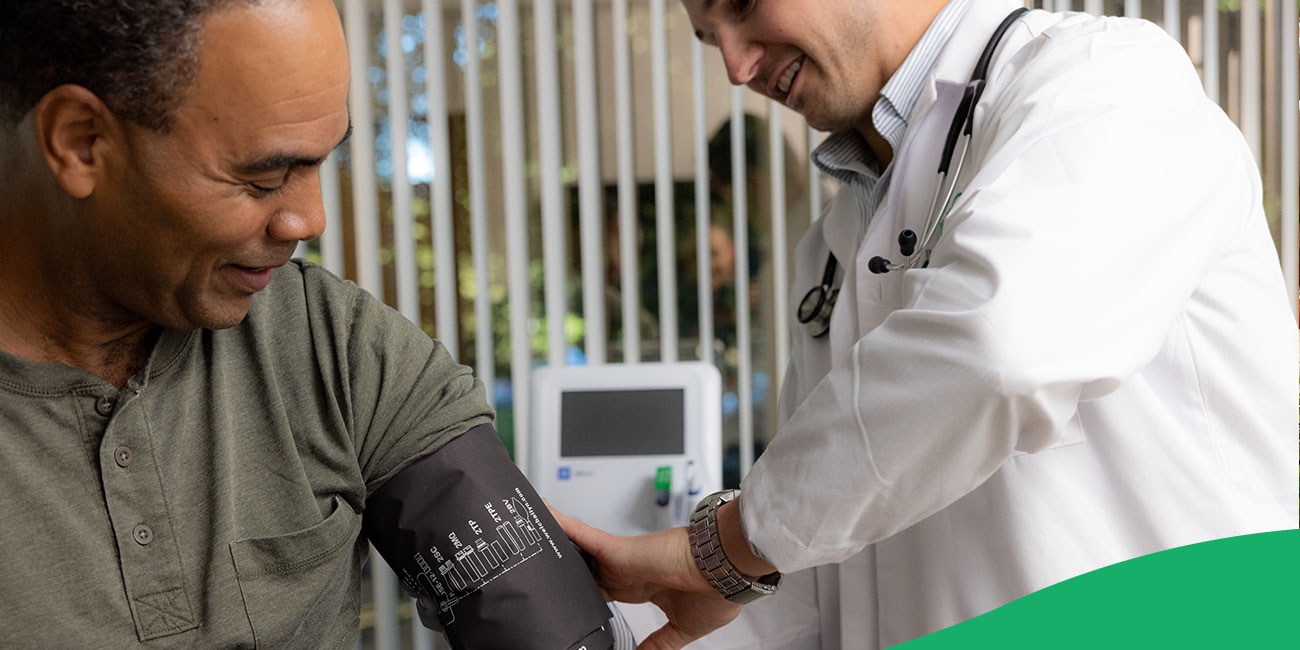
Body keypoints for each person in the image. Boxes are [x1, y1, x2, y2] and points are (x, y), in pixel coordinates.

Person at [555, 1, 1299, 649]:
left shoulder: (1105, 83)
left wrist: (728, 546)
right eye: (711, 39)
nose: (737, 67)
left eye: (743, 6)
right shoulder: (834, 243)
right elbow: (829, 568)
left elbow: (1003, 347)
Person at [0, 1, 612, 648]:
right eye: (265, 177)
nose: (309, 220)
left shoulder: (334, 347)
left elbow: (552, 632)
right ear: (81, 141)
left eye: (323, 162)